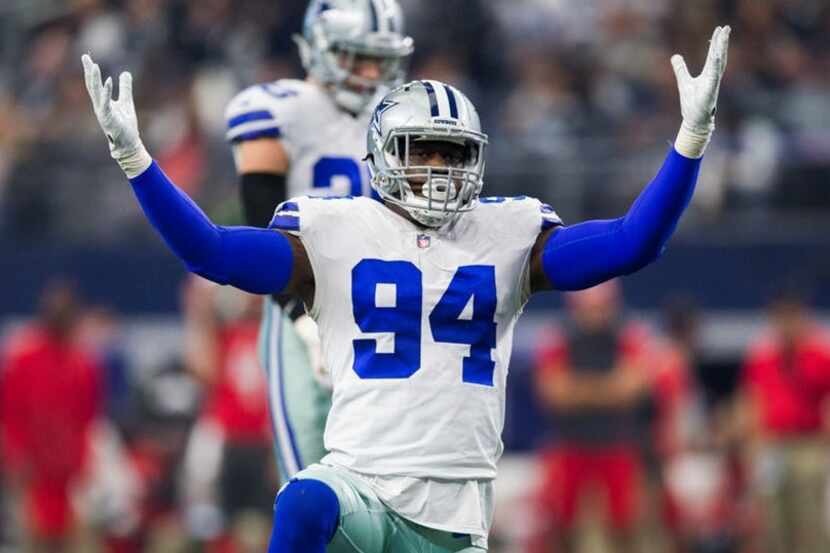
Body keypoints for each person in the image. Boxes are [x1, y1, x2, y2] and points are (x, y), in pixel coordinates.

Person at [81, 23, 730, 553]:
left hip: (453, 516)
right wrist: (137, 160)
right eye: (422, 149)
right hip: (359, 486)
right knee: (306, 498)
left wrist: (689, 141)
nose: (438, 169)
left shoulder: (506, 230)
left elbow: (632, 242)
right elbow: (211, 251)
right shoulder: (335, 230)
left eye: (452, 154)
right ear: (383, 154)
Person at [224, 0, 414, 482]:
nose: (372, 72)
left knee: (397, 472)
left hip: (386, 300)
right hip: (304, 300)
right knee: (310, 470)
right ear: (321, 48)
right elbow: (261, 223)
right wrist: (298, 317)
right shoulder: (281, 108)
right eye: (357, 56)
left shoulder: (401, 114)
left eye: (380, 58)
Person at [532, 281, 651, 553]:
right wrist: (607, 389)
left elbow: (634, 386)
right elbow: (552, 392)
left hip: (616, 444)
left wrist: (579, 390)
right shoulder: (559, 338)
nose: (595, 315)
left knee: (625, 526)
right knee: (560, 526)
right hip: (570, 445)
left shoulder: (628, 337)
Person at [0, 281, 103, 553]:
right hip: (32, 471)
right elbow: (11, 413)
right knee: (35, 538)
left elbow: (87, 418)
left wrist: (83, 464)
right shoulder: (22, 358)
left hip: (68, 472)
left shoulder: (83, 365)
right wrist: (16, 458)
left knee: (72, 538)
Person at [738, 285, 830, 553]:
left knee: (809, 522)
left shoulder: (820, 355)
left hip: (807, 444)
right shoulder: (762, 357)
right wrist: (753, 444)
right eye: (780, 318)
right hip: (772, 445)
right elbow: (752, 401)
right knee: (772, 524)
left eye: (791, 317)